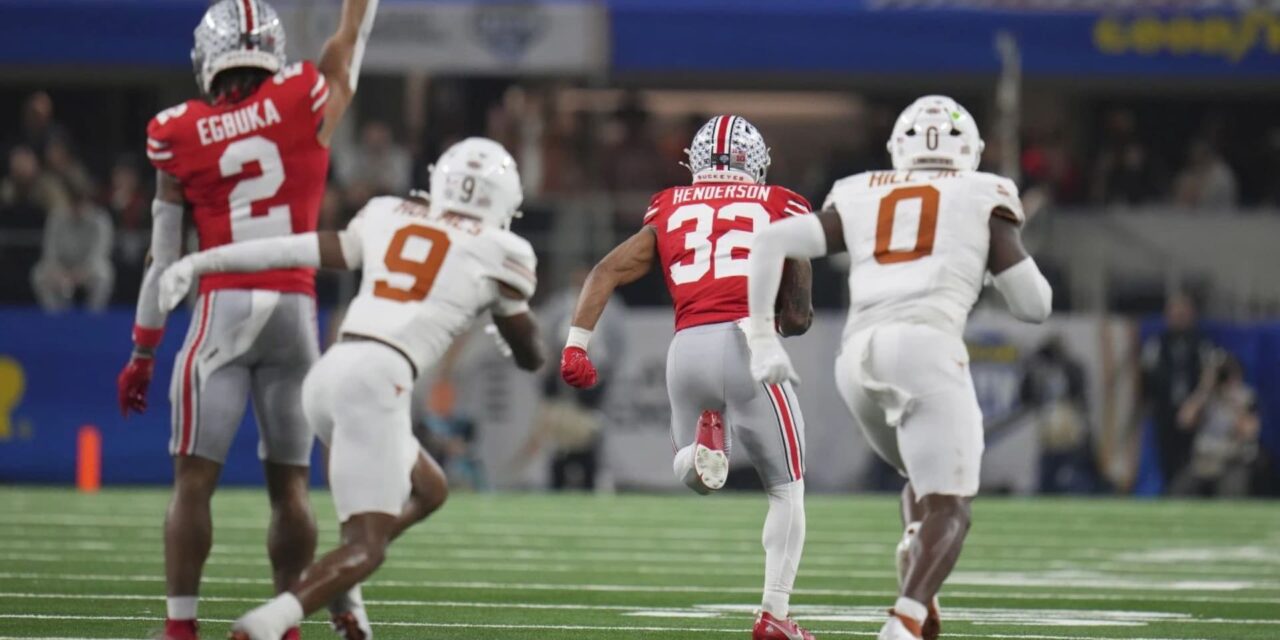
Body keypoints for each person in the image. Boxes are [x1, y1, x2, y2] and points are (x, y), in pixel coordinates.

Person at [158, 137, 546, 640]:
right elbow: (531, 355)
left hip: (328, 373)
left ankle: (346, 599)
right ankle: (270, 621)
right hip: (376, 381)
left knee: (430, 489)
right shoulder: (503, 250)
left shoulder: (389, 212)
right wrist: (505, 314)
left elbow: (291, 249)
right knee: (368, 545)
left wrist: (199, 263)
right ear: (504, 201)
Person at [112, 1, 380, 638]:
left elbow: (164, 254)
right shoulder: (302, 98)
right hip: (295, 313)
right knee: (291, 488)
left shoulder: (176, 131)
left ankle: (181, 628)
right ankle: (285, 621)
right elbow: (350, 43)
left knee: (193, 484)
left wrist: (143, 350)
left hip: (223, 310)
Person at [746, 96, 1052, 640]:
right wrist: (991, 263)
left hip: (857, 356)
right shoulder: (985, 192)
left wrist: (765, 340)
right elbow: (1034, 306)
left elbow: (771, 240)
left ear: (898, 149)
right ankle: (906, 619)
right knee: (953, 508)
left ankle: (918, 558)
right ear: (972, 152)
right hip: (925, 347)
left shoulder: (862, 190)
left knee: (922, 475)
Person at [561, 115, 818, 640]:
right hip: (749, 340)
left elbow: (605, 270)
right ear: (757, 162)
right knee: (786, 488)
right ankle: (774, 614)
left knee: (693, 475)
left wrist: (575, 346)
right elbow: (797, 316)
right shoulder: (782, 204)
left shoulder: (669, 204)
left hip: (687, 348)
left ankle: (703, 449)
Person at [1141, 291, 1215, 491]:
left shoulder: (1201, 343)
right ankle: (1170, 492)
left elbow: (1209, 376)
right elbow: (1146, 378)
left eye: (1183, 313)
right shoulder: (1157, 344)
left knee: (1191, 459)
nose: (1179, 318)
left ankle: (1189, 494)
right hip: (1165, 410)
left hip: (1194, 410)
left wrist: (1195, 404)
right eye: (1175, 314)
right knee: (1167, 456)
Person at [1170, 351, 1260, 497]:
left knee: (1231, 492)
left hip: (1232, 461)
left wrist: (1230, 400)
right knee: (1178, 491)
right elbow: (1184, 420)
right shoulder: (1206, 396)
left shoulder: (1245, 397)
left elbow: (1249, 431)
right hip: (1204, 461)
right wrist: (1205, 388)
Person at [30, 184, 114, 312]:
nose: (77, 208)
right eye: (73, 204)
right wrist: (59, 273)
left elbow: (100, 254)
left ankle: (94, 315)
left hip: (88, 269)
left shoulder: (100, 221)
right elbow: (49, 252)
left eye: (81, 203)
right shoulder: (56, 218)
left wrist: (81, 273)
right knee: (38, 274)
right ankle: (55, 315)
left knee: (104, 273)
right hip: (62, 268)